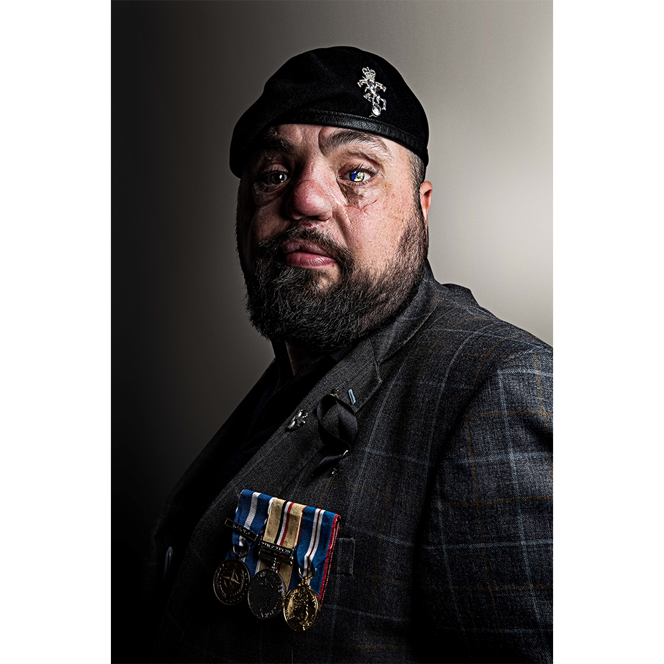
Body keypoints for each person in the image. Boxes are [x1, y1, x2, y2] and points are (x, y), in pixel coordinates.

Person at [140, 46, 552, 663]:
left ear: (422, 206)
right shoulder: (285, 386)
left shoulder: (497, 390)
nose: (304, 199)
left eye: (355, 172)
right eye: (274, 174)